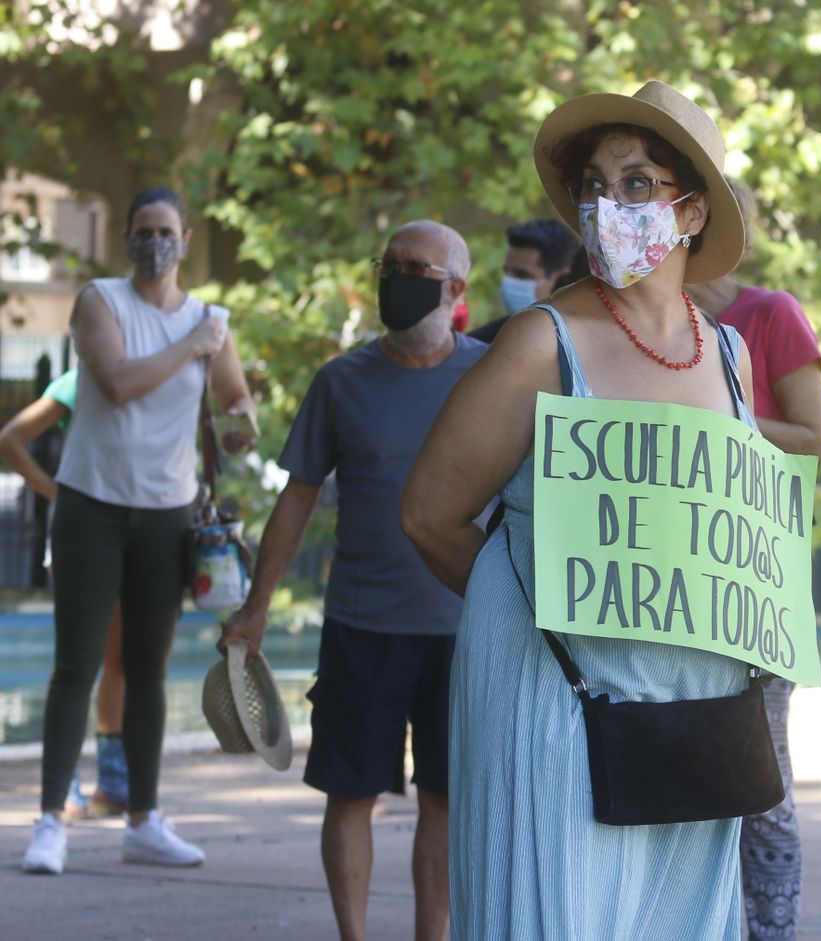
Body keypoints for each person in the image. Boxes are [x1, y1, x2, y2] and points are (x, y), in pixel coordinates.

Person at [400, 80, 759, 940]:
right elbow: (429, 515)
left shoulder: (734, 354)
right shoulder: (538, 344)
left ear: (692, 210)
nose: (608, 205)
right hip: (558, 700)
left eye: (636, 183)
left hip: (697, 714)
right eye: (596, 185)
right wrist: (540, 611)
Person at [217, 220, 483, 941]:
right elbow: (297, 497)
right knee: (349, 792)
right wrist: (256, 606)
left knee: (447, 800)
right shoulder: (341, 380)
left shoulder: (494, 378)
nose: (396, 276)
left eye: (416, 267)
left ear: (456, 289)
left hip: (467, 626)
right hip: (363, 624)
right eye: (389, 263)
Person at [22, 186, 257, 876]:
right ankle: (48, 823)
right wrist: (193, 346)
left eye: (166, 231)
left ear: (186, 239)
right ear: (127, 237)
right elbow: (119, 382)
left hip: (168, 513)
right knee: (77, 664)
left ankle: (144, 819)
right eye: (142, 230)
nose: (153, 242)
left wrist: (240, 422)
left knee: (148, 669)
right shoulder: (101, 300)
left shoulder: (213, 320)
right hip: (91, 506)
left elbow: (233, 400)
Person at [691, 178, 821, 940]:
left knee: (760, 781)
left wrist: (724, 419)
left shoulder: (769, 313)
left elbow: (813, 440)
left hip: (753, 581)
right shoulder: (639, 324)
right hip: (672, 582)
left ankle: (772, 930)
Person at [0, 369, 130, 819]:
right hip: (83, 530)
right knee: (78, 658)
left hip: (139, 528)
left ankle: (114, 783)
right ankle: (65, 784)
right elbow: (12, 438)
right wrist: (56, 493)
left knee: (121, 660)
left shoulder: (166, 367)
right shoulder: (83, 379)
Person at [467, 218, 579, 344]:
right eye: (506, 272)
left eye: (522, 275)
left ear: (562, 280)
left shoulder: (586, 342)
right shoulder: (479, 344)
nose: (508, 282)